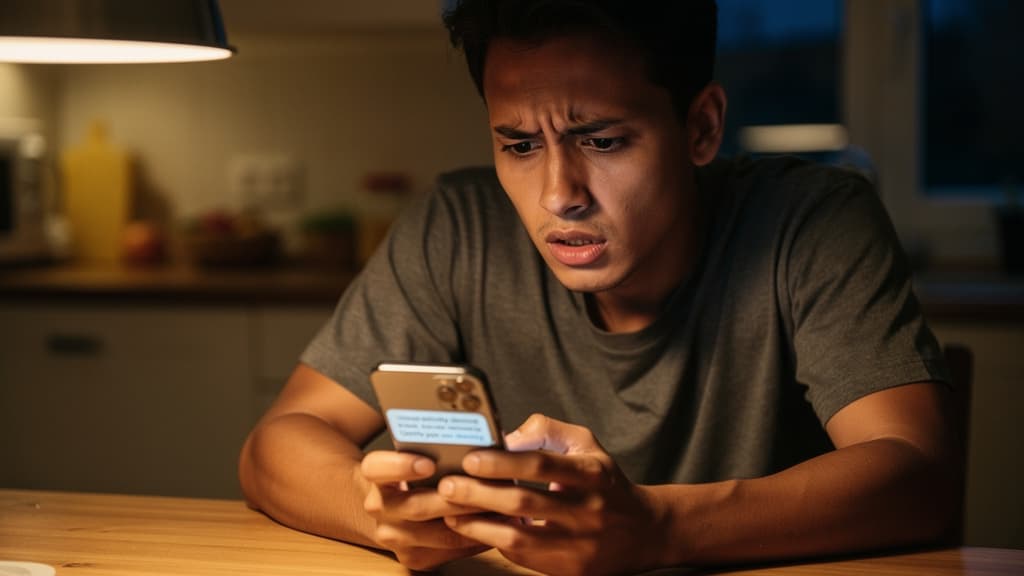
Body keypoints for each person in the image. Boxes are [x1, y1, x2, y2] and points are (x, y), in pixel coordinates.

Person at [238, 1, 957, 574]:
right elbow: (277, 444)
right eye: (519, 145)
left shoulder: (813, 222)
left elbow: (916, 472)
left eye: (603, 141)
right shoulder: (455, 227)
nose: (559, 196)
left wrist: (657, 529)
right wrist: (379, 514)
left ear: (701, 127)